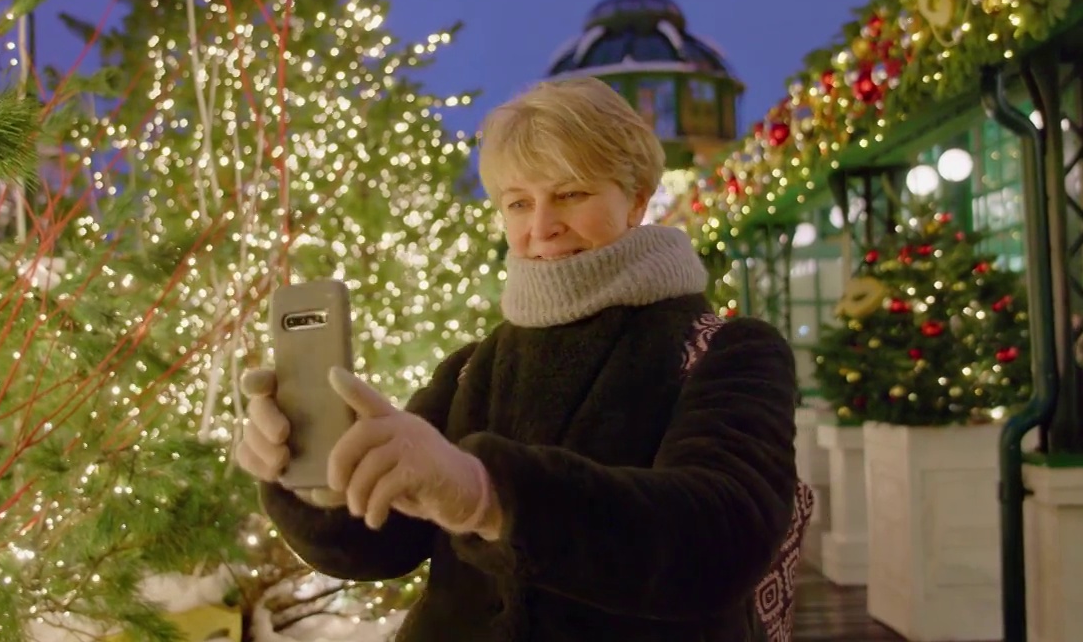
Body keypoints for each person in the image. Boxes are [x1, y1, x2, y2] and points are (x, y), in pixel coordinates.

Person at [236, 76, 801, 642]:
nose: (541, 226)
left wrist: (487, 495)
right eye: (518, 202)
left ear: (636, 196)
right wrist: (314, 479)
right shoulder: (469, 369)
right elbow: (380, 545)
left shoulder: (727, 350)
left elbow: (719, 541)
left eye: (571, 193)